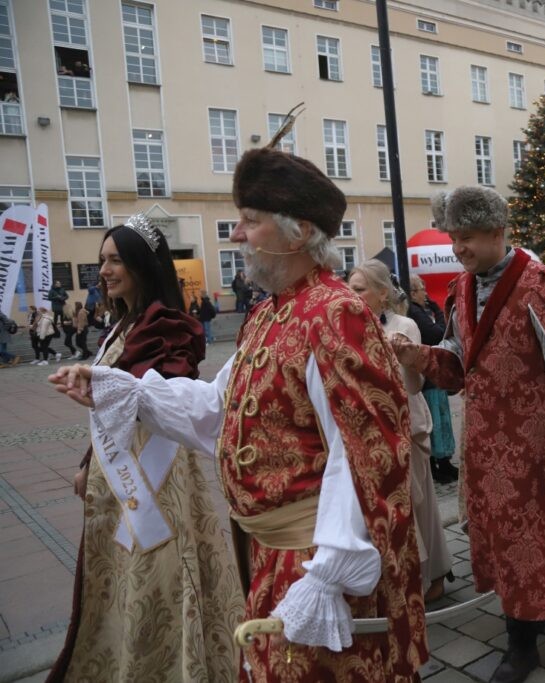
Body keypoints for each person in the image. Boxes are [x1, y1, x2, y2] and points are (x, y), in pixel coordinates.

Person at [52, 147, 428, 681]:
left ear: (297, 233)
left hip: (312, 559)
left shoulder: (333, 313)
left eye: (249, 222)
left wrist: (327, 576)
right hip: (271, 554)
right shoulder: (271, 314)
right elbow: (218, 410)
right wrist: (122, 390)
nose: (236, 234)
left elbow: (364, 452)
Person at [391, 185, 545, 683]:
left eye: (466, 238)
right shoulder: (462, 289)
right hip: (485, 442)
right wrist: (416, 356)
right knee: (502, 539)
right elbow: (460, 363)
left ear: (496, 231)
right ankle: (528, 618)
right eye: (453, 238)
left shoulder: (540, 284)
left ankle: (522, 647)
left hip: (533, 442)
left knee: (530, 539)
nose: (457, 248)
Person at [47, 217, 244, 681]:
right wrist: (88, 462)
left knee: (161, 579)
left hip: (160, 479)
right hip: (121, 476)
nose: (105, 270)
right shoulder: (122, 326)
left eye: (116, 259)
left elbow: (155, 399)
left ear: (141, 264)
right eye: (102, 260)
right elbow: (107, 411)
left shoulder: (165, 327)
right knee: (124, 581)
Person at [349, 260, 453, 604]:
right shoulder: (346, 328)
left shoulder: (404, 324)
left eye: (360, 288)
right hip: (367, 432)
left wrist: (407, 357)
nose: (352, 294)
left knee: (419, 504)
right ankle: (395, 576)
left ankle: (432, 573)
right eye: (349, 287)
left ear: (382, 294)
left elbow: (416, 384)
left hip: (407, 425)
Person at [405, 273, 459, 483]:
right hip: (428, 379)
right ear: (413, 293)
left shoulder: (417, 310)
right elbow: (438, 332)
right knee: (437, 422)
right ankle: (440, 466)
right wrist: (436, 308)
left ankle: (443, 464)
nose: (425, 293)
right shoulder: (416, 313)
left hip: (429, 378)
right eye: (421, 290)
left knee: (440, 421)